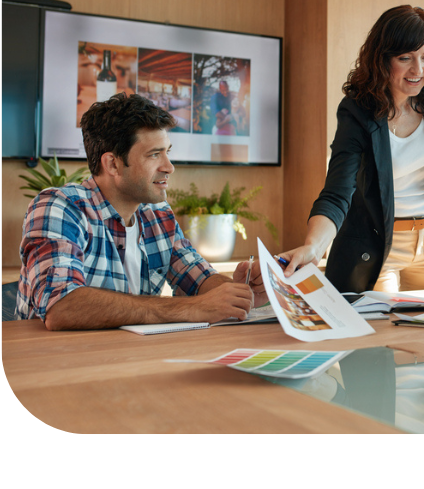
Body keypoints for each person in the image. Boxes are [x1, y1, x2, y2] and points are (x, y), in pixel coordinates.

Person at [15, 93, 266, 330]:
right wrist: (191, 308)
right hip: (54, 365)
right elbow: (61, 307)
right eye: (155, 155)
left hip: (131, 359)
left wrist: (244, 292)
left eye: (167, 152)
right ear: (113, 164)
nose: (169, 167)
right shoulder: (60, 208)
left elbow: (199, 279)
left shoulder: (157, 214)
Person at [278, 5, 424, 294]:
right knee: (379, 329)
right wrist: (314, 246)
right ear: (382, 59)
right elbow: (337, 191)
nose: (419, 70)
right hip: (379, 245)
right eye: (405, 58)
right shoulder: (357, 111)